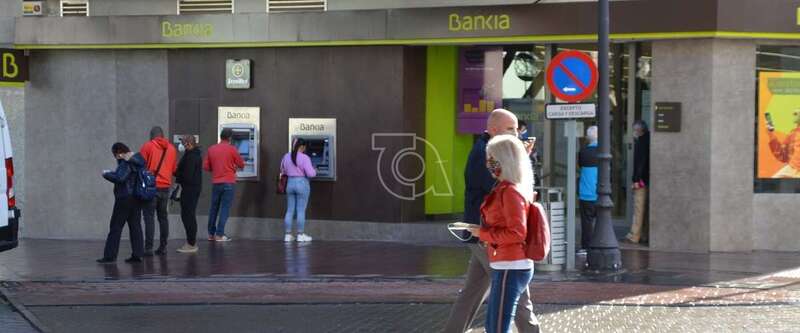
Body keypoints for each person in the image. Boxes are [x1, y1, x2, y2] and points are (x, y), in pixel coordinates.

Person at [444, 109, 539, 333]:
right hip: (489, 236)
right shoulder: (486, 154)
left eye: (517, 129)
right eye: (511, 129)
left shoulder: (493, 152)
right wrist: (521, 158)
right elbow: (504, 189)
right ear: (494, 129)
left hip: (486, 234)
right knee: (517, 292)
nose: (517, 134)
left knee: (472, 292)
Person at [465, 134, 536, 333]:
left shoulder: (510, 192)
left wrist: (483, 233)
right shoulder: (507, 187)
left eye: (493, 159)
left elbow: (517, 233)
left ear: (504, 160)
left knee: (496, 326)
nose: (488, 164)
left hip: (510, 266)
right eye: (489, 158)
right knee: (494, 324)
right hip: (505, 264)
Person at [97, 143, 145, 264]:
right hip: (136, 198)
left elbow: (120, 178)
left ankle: (110, 256)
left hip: (124, 199)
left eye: (114, 154)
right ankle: (138, 255)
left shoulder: (126, 162)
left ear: (119, 152)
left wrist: (106, 174)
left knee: (115, 227)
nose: (115, 157)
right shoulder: (137, 160)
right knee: (135, 227)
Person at [140, 126, 178, 256]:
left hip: (151, 187)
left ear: (152, 135)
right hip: (165, 188)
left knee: (149, 217)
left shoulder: (147, 146)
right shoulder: (172, 149)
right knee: (163, 218)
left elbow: (140, 166)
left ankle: (148, 248)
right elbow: (173, 169)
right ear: (162, 135)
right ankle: (163, 247)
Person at [204, 128, 245, 242]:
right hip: (228, 183)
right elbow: (241, 164)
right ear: (230, 138)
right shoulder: (232, 149)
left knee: (214, 208)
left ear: (221, 136)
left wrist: (216, 167)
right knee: (225, 209)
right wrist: (233, 167)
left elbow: (206, 166)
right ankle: (220, 234)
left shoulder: (212, 149)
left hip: (216, 183)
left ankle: (211, 234)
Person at [281, 138, 317, 242]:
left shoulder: (286, 156)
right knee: (300, 210)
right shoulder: (305, 158)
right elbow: (311, 174)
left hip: (290, 183)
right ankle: (300, 235)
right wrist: (315, 170)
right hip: (301, 183)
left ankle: (287, 235)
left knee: (289, 210)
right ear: (303, 147)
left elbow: (282, 170)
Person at [175, 135, 202, 253]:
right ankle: (191, 242)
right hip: (191, 189)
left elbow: (187, 176)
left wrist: (175, 173)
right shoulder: (192, 154)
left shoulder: (191, 156)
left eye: (183, 143)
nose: (181, 145)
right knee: (187, 215)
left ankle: (191, 244)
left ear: (189, 144)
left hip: (190, 190)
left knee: (188, 216)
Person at [624, 120, 650, 244]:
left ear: (639, 130)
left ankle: (634, 235)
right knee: (644, 209)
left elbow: (640, 162)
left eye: (634, 130)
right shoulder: (648, 139)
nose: (633, 132)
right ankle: (644, 234)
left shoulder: (642, 142)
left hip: (641, 181)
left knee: (638, 208)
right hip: (647, 179)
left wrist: (636, 179)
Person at [578, 126, 599, 253]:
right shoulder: (603, 151)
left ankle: (586, 246)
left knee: (587, 222)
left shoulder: (583, 152)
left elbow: (580, 166)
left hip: (586, 193)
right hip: (600, 193)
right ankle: (598, 244)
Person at [767, 109, 800, 178]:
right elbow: (782, 155)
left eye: (796, 113)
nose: (793, 114)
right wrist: (771, 134)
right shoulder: (792, 134)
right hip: (791, 168)